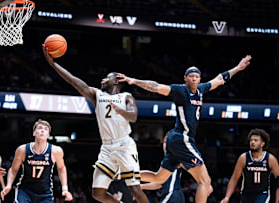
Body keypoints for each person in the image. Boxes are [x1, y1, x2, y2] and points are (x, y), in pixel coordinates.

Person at [119, 55, 252, 203]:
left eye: (197, 76)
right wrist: (134, 81)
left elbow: (219, 79)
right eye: (191, 76)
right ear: (185, 78)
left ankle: (126, 173)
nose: (194, 79)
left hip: (176, 140)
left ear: (200, 79)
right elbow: (156, 86)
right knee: (205, 182)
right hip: (182, 137)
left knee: (159, 177)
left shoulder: (201, 89)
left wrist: (238, 68)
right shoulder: (180, 91)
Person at [42, 45, 149, 203]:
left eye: (106, 78)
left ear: (116, 81)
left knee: (134, 188)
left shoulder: (126, 97)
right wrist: (53, 64)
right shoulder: (96, 95)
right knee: (97, 193)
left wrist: (121, 111)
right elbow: (73, 81)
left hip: (124, 145)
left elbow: (133, 117)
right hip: (106, 147)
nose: (102, 80)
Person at [0, 119, 73, 202]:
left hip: (45, 193)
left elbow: (61, 168)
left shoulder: (56, 151)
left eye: (46, 129)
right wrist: (9, 185)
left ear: (48, 135)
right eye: (40, 128)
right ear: (34, 133)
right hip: (25, 191)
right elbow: (14, 169)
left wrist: (65, 189)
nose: (42, 130)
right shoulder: (22, 149)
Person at [220, 129, 279, 203]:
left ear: (262, 143)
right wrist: (227, 197)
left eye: (256, 140)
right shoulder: (243, 158)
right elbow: (234, 178)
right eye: (251, 140)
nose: (252, 142)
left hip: (262, 194)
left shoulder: (270, 159)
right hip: (246, 194)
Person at [141, 133, 185, 203]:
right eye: (165, 142)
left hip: (172, 194)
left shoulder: (175, 157)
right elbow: (160, 183)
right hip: (172, 195)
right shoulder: (167, 159)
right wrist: (142, 186)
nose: (166, 145)